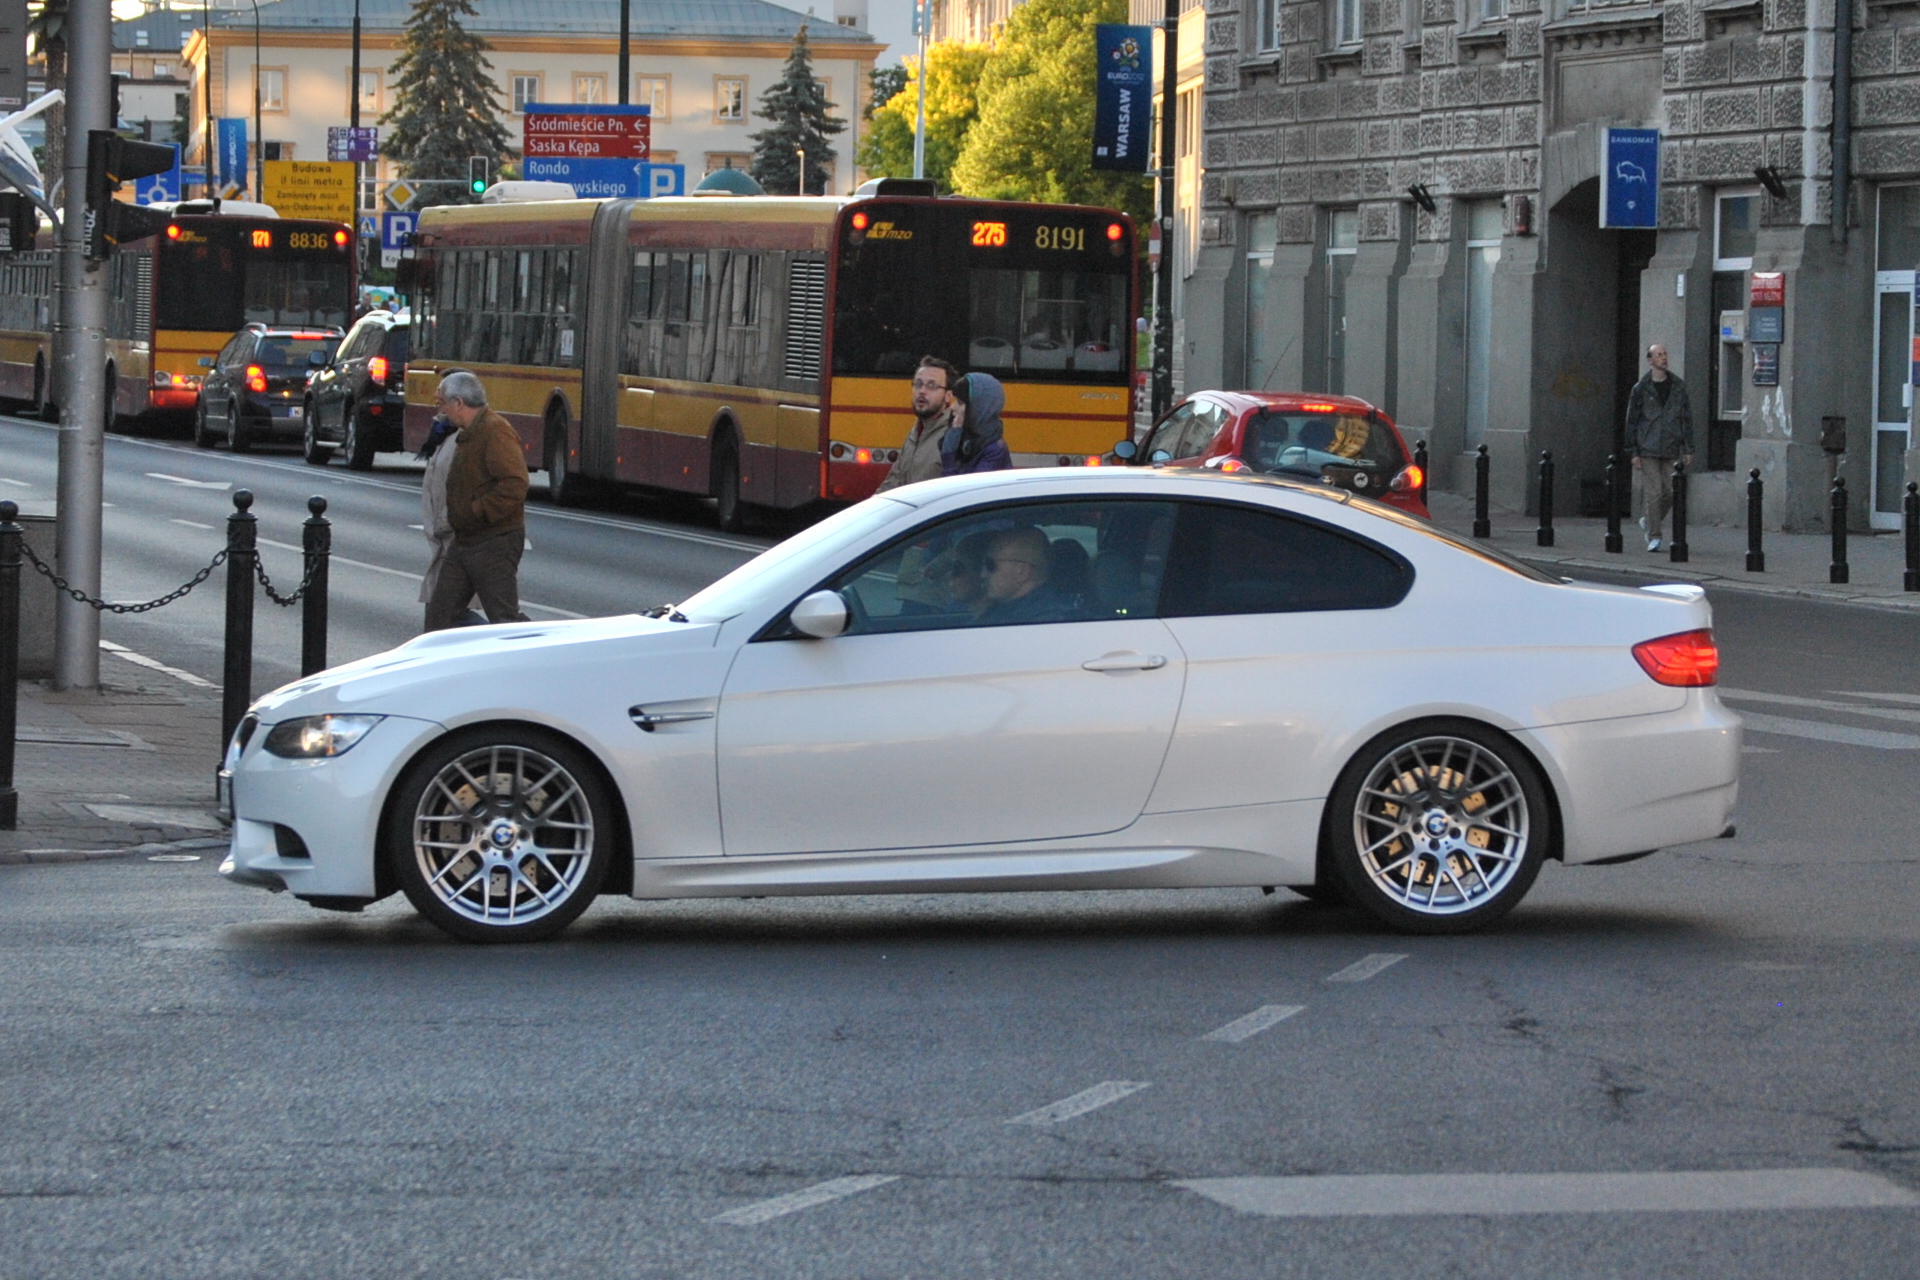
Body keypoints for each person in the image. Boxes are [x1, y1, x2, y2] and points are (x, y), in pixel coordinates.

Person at [424, 371, 531, 631]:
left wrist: (475, 512)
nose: (441, 411)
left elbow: (515, 484)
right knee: (440, 619)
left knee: (505, 621)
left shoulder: (495, 431)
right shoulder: (469, 432)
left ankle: (545, 648)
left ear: (459, 403)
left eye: (443, 403)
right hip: (465, 540)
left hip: (493, 541)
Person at [1624, 343, 1693, 553]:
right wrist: (1633, 452)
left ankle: (1649, 519)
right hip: (1648, 447)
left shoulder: (1678, 386)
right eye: (1659, 355)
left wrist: (1688, 448)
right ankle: (1654, 535)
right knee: (1654, 493)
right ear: (1650, 360)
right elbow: (1632, 421)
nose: (1663, 358)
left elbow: (1686, 418)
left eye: (1665, 354)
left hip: (1671, 446)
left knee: (1672, 491)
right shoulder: (1641, 389)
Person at [876, 356, 962, 493]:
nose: (922, 391)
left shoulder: (955, 435)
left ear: (948, 396)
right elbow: (894, 481)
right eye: (918, 384)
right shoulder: (916, 432)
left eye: (932, 386)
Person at [976, 527, 1067, 625]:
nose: (983, 574)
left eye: (990, 565)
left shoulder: (1046, 620)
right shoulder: (1005, 611)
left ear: (1022, 572)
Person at [941, 372, 1012, 475]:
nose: (952, 407)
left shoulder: (994, 451)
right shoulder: (965, 438)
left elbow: (955, 483)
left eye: (960, 403)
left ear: (978, 409)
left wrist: (949, 454)